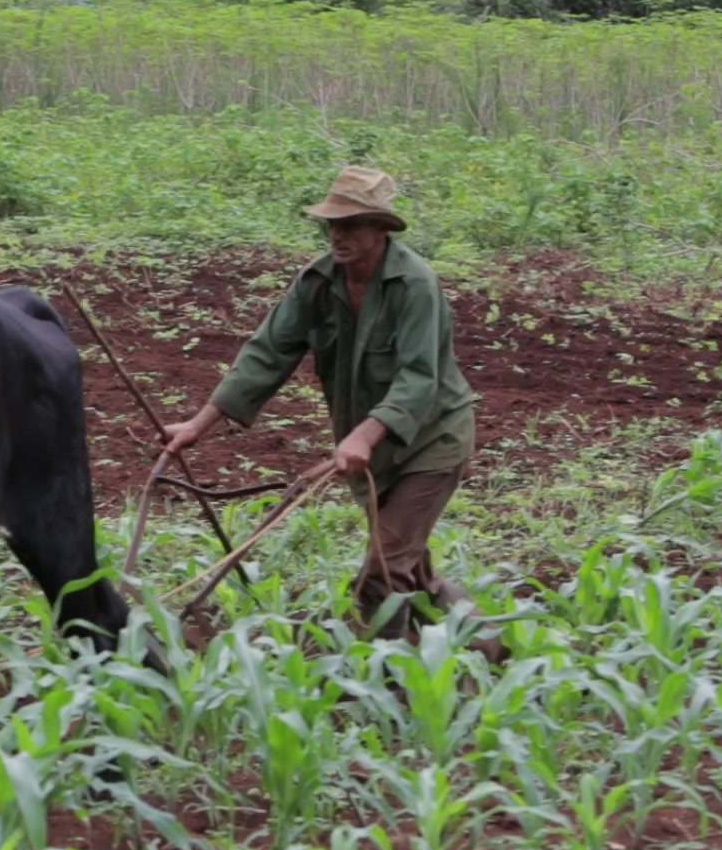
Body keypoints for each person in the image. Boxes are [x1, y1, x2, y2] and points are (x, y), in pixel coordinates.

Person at [159, 165, 495, 650]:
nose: (337, 235)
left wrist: (362, 434)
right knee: (410, 572)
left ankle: (389, 688)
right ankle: (495, 649)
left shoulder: (415, 286)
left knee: (383, 570)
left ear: (380, 229)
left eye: (350, 225)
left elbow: (421, 377)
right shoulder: (317, 281)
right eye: (331, 224)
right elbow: (267, 352)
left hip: (431, 443)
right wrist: (198, 424)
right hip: (375, 451)